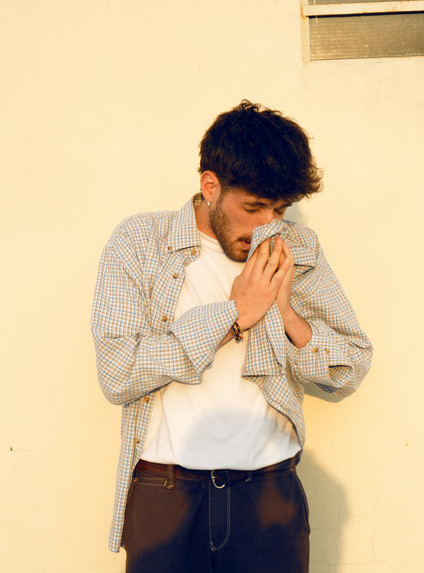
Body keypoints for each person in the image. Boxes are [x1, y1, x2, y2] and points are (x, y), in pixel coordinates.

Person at [91, 100, 372, 573]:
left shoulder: (297, 249)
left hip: (268, 495)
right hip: (166, 496)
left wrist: (285, 313)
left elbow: (350, 368)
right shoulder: (140, 242)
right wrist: (233, 316)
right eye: (254, 207)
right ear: (210, 186)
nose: (268, 225)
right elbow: (118, 375)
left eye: (279, 209)